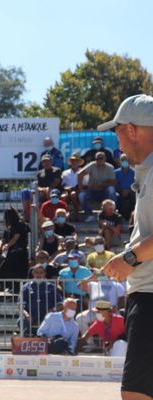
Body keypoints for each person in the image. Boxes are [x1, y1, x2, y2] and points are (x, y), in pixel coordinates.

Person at [98, 94, 153, 399]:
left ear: (132, 130)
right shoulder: (145, 172)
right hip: (146, 293)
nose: (115, 138)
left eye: (117, 130)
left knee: (135, 393)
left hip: (150, 295)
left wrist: (129, 258)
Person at [19, 264, 62, 336]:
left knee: (56, 319)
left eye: (41, 272)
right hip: (31, 315)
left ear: (45, 274)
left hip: (48, 315)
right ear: (33, 273)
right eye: (36, 272)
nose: (39, 275)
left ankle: (48, 339)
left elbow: (60, 304)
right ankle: (29, 338)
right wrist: (26, 315)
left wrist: (53, 310)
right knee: (21, 321)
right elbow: (19, 304)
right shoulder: (26, 287)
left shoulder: (51, 287)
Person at [78, 151, 117, 222]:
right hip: (92, 191)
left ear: (105, 159)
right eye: (97, 158)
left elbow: (113, 182)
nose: (99, 160)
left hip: (104, 191)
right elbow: (80, 174)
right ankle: (89, 215)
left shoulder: (110, 167)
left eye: (101, 158)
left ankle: (112, 213)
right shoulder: (92, 165)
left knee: (111, 190)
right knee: (81, 195)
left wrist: (101, 184)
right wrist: (81, 188)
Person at [0, 207, 30, 285]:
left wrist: (7, 245)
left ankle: (17, 286)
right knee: (4, 268)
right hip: (11, 251)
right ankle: (7, 285)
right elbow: (3, 239)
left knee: (17, 270)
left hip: (19, 251)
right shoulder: (9, 227)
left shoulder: (19, 224)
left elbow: (15, 238)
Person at [61, 153, 85, 221]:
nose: (74, 162)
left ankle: (76, 214)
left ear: (79, 163)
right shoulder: (65, 172)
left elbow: (86, 184)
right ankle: (64, 215)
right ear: (70, 163)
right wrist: (66, 188)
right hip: (67, 190)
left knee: (73, 194)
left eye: (76, 161)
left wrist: (79, 188)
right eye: (72, 161)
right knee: (63, 197)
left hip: (79, 190)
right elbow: (62, 184)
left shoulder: (83, 172)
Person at [115, 153, 136, 221]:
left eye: (126, 159)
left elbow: (137, 183)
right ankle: (124, 217)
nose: (124, 161)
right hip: (120, 192)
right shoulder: (116, 172)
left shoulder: (134, 172)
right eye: (122, 160)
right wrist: (121, 190)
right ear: (120, 161)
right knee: (118, 197)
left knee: (133, 196)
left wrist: (129, 190)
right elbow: (114, 184)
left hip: (131, 191)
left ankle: (133, 217)